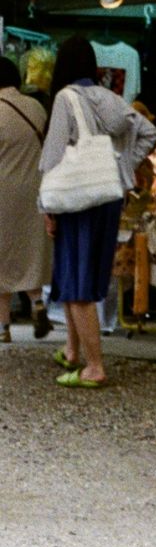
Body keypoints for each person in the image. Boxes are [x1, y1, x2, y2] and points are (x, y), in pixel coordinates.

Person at [40, 36, 156, 387]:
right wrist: (122, 170)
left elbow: (53, 154)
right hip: (106, 198)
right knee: (88, 278)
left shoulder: (65, 98)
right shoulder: (111, 97)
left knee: (77, 285)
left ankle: (94, 365)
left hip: (75, 201)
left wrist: (45, 205)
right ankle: (75, 353)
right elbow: (149, 132)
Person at [0, 57, 53, 343]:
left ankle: (3, 328)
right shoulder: (36, 107)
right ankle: (38, 304)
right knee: (30, 251)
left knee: (2, 258)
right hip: (35, 190)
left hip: (3, 191)